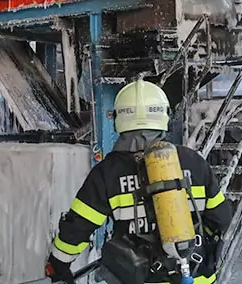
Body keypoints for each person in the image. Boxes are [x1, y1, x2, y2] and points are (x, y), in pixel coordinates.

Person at [46, 79, 232, 284]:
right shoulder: (194, 162)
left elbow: (77, 228)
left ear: (118, 119)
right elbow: (222, 219)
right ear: (163, 116)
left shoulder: (108, 173)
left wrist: (58, 264)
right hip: (197, 277)